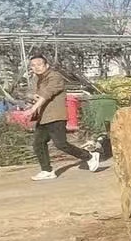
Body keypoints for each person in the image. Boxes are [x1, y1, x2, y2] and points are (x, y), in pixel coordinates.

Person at [25, 53, 101, 181]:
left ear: (46, 65)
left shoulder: (55, 76)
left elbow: (47, 94)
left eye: (39, 64)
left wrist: (32, 108)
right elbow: (29, 92)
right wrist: (32, 97)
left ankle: (89, 156)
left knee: (61, 144)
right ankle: (47, 170)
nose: (36, 67)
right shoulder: (36, 79)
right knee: (38, 143)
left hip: (55, 116)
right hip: (42, 117)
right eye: (33, 65)